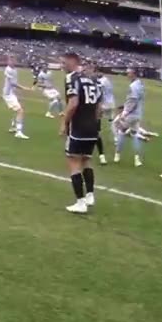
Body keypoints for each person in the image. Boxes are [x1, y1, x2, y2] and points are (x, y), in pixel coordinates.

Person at [61, 51, 101, 214]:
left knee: (73, 161)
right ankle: (90, 195)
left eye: (64, 63)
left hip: (79, 127)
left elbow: (73, 103)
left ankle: (80, 202)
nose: (62, 66)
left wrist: (64, 122)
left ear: (73, 62)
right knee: (86, 160)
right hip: (93, 127)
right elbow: (99, 106)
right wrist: (94, 122)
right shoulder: (92, 80)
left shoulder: (72, 78)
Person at [114, 68, 147, 167]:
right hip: (138, 114)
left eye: (129, 73)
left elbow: (132, 101)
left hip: (131, 114)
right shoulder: (140, 84)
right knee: (135, 135)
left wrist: (124, 113)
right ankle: (137, 159)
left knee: (121, 131)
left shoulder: (133, 86)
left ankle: (117, 154)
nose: (127, 74)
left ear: (134, 74)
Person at [1, 54, 31, 140]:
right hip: (8, 94)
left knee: (18, 109)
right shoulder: (8, 70)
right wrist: (24, 88)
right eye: (10, 60)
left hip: (11, 93)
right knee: (20, 111)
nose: (11, 61)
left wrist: (17, 91)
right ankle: (19, 132)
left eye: (13, 59)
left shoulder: (14, 69)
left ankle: (13, 127)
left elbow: (13, 83)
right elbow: (12, 83)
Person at [96, 64, 118, 164]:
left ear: (99, 72)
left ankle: (97, 133)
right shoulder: (107, 80)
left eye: (97, 72)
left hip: (104, 104)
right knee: (111, 121)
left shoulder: (100, 81)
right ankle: (116, 138)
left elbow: (99, 93)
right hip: (111, 103)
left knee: (97, 119)